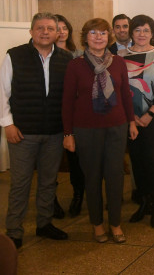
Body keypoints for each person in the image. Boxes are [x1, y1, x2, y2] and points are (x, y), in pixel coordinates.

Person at [62, 18, 138, 243]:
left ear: (109, 37)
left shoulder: (118, 63)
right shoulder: (75, 65)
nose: (98, 37)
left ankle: (115, 223)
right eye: (93, 33)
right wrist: (68, 134)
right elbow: (67, 102)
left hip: (116, 126)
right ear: (86, 37)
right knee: (92, 178)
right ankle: (97, 224)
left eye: (103, 33)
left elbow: (125, 95)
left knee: (115, 177)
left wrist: (131, 122)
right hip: (86, 129)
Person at [1, 13, 73, 249]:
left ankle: (44, 223)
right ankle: (14, 231)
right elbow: (2, 92)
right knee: (20, 184)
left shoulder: (66, 58)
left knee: (48, 182)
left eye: (50, 28)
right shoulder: (15, 55)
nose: (45, 32)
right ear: (31, 31)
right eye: (40, 28)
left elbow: (69, 97)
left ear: (57, 33)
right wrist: (7, 124)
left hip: (53, 132)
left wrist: (67, 131)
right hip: (22, 132)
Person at [120, 15, 154, 228]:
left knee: (151, 159)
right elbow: (117, 88)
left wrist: (149, 114)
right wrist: (131, 117)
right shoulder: (120, 56)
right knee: (136, 161)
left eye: (146, 30)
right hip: (128, 118)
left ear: (152, 33)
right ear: (131, 33)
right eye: (138, 30)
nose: (142, 34)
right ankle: (143, 202)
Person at [54, 14, 85, 217]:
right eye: (57, 28)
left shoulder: (79, 54)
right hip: (52, 113)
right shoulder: (45, 54)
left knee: (76, 160)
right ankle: (51, 200)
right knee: (52, 162)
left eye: (65, 27)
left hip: (76, 114)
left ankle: (78, 196)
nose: (62, 31)